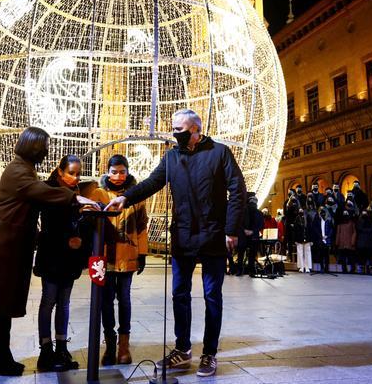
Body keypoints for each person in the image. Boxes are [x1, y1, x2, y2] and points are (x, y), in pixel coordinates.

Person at [105, 109, 245, 378]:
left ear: (195, 130)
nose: (174, 133)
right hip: (182, 235)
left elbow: (237, 189)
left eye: (179, 129)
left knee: (212, 296)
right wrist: (125, 198)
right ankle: (182, 349)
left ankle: (209, 354)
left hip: (214, 234)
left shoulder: (220, 153)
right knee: (179, 294)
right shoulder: (171, 157)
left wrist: (231, 229)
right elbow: (152, 183)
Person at [0, 127, 98, 377]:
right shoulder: (19, 170)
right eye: (44, 146)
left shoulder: (23, 168)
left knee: (2, 302)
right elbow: (40, 191)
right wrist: (76, 199)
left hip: (10, 243)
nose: (46, 151)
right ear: (33, 146)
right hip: (5, 244)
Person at [86, 154, 149, 366]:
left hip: (127, 254)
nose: (118, 176)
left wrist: (142, 254)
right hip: (103, 255)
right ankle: (110, 344)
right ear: (108, 171)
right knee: (105, 300)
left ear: (128, 171)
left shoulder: (136, 195)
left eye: (122, 171)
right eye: (114, 172)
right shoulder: (98, 193)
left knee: (124, 298)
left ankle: (124, 346)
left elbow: (142, 226)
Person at [34, 155, 90, 372]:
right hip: (52, 254)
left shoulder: (76, 193)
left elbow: (76, 223)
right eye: (71, 173)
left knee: (64, 302)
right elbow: (49, 223)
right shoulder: (49, 189)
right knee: (48, 300)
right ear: (60, 171)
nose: (75, 177)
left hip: (69, 256)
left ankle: (62, 346)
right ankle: (45, 348)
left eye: (78, 174)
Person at [334, 198, 357, 273]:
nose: (345, 215)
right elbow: (338, 233)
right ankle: (344, 269)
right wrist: (337, 242)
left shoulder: (352, 223)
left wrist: (353, 242)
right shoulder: (340, 223)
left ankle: (353, 269)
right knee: (343, 257)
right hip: (342, 243)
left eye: (346, 214)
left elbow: (354, 232)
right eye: (344, 214)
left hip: (350, 243)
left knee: (351, 257)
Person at [293, 195, 315, 273]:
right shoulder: (296, 219)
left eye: (302, 210)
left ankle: (308, 267)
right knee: (300, 253)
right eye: (300, 210)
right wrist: (295, 240)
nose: (301, 211)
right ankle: (301, 267)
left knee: (308, 253)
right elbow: (295, 230)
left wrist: (311, 240)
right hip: (299, 238)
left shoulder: (308, 218)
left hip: (307, 238)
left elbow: (311, 229)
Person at [355, 209, 372, 275]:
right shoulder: (360, 221)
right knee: (364, 256)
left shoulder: (369, 221)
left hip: (368, 242)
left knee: (368, 256)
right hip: (363, 242)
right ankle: (364, 269)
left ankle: (369, 269)